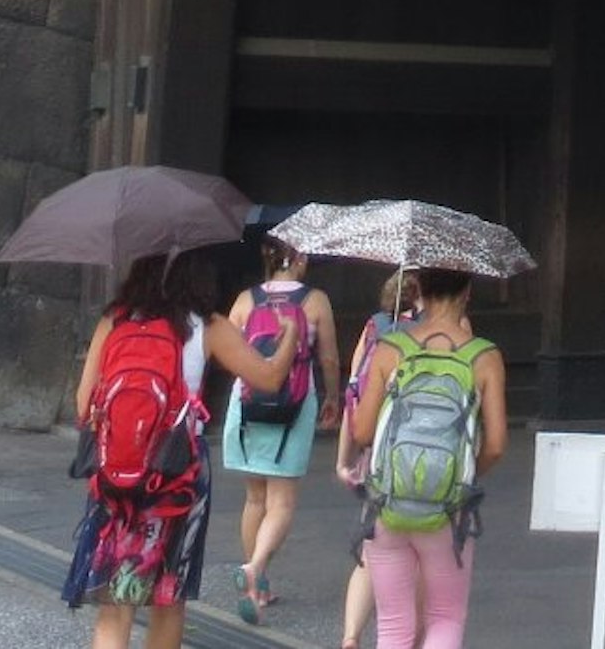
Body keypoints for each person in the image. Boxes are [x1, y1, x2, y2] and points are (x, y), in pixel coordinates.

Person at [66, 249, 299, 649]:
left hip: (116, 473)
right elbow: (270, 378)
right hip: (178, 475)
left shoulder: (116, 319)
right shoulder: (206, 326)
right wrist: (290, 336)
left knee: (115, 604)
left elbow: (84, 403)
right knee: (167, 598)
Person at [345, 268, 507, 649]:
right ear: (467, 291)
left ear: (418, 290)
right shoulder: (484, 356)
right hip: (448, 511)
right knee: (445, 617)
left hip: (388, 502)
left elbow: (363, 432)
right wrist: (461, 476)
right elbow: (497, 444)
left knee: (394, 626)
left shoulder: (391, 348)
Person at [221, 233, 343, 626]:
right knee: (283, 502)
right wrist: (333, 398)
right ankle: (255, 568)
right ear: (300, 256)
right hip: (293, 404)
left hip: (248, 402)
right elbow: (328, 357)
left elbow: (230, 354)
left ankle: (257, 587)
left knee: (255, 499)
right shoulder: (315, 300)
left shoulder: (244, 300)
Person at [330, 269, 414, 649]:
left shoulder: (374, 329)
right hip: (421, 459)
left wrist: (343, 458)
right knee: (416, 554)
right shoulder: (444, 332)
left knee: (371, 547)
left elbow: (353, 397)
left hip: (374, 452)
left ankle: (350, 636)